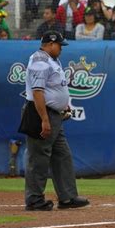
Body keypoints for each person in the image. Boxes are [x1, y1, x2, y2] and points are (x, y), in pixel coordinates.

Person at [23, 30, 89, 211]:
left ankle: (67, 197)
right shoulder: (39, 61)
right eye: (59, 45)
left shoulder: (52, 61)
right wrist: (44, 119)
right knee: (38, 157)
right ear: (50, 44)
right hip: (41, 114)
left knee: (62, 155)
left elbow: (55, 89)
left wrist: (63, 106)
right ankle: (34, 199)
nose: (61, 48)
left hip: (54, 115)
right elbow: (37, 92)